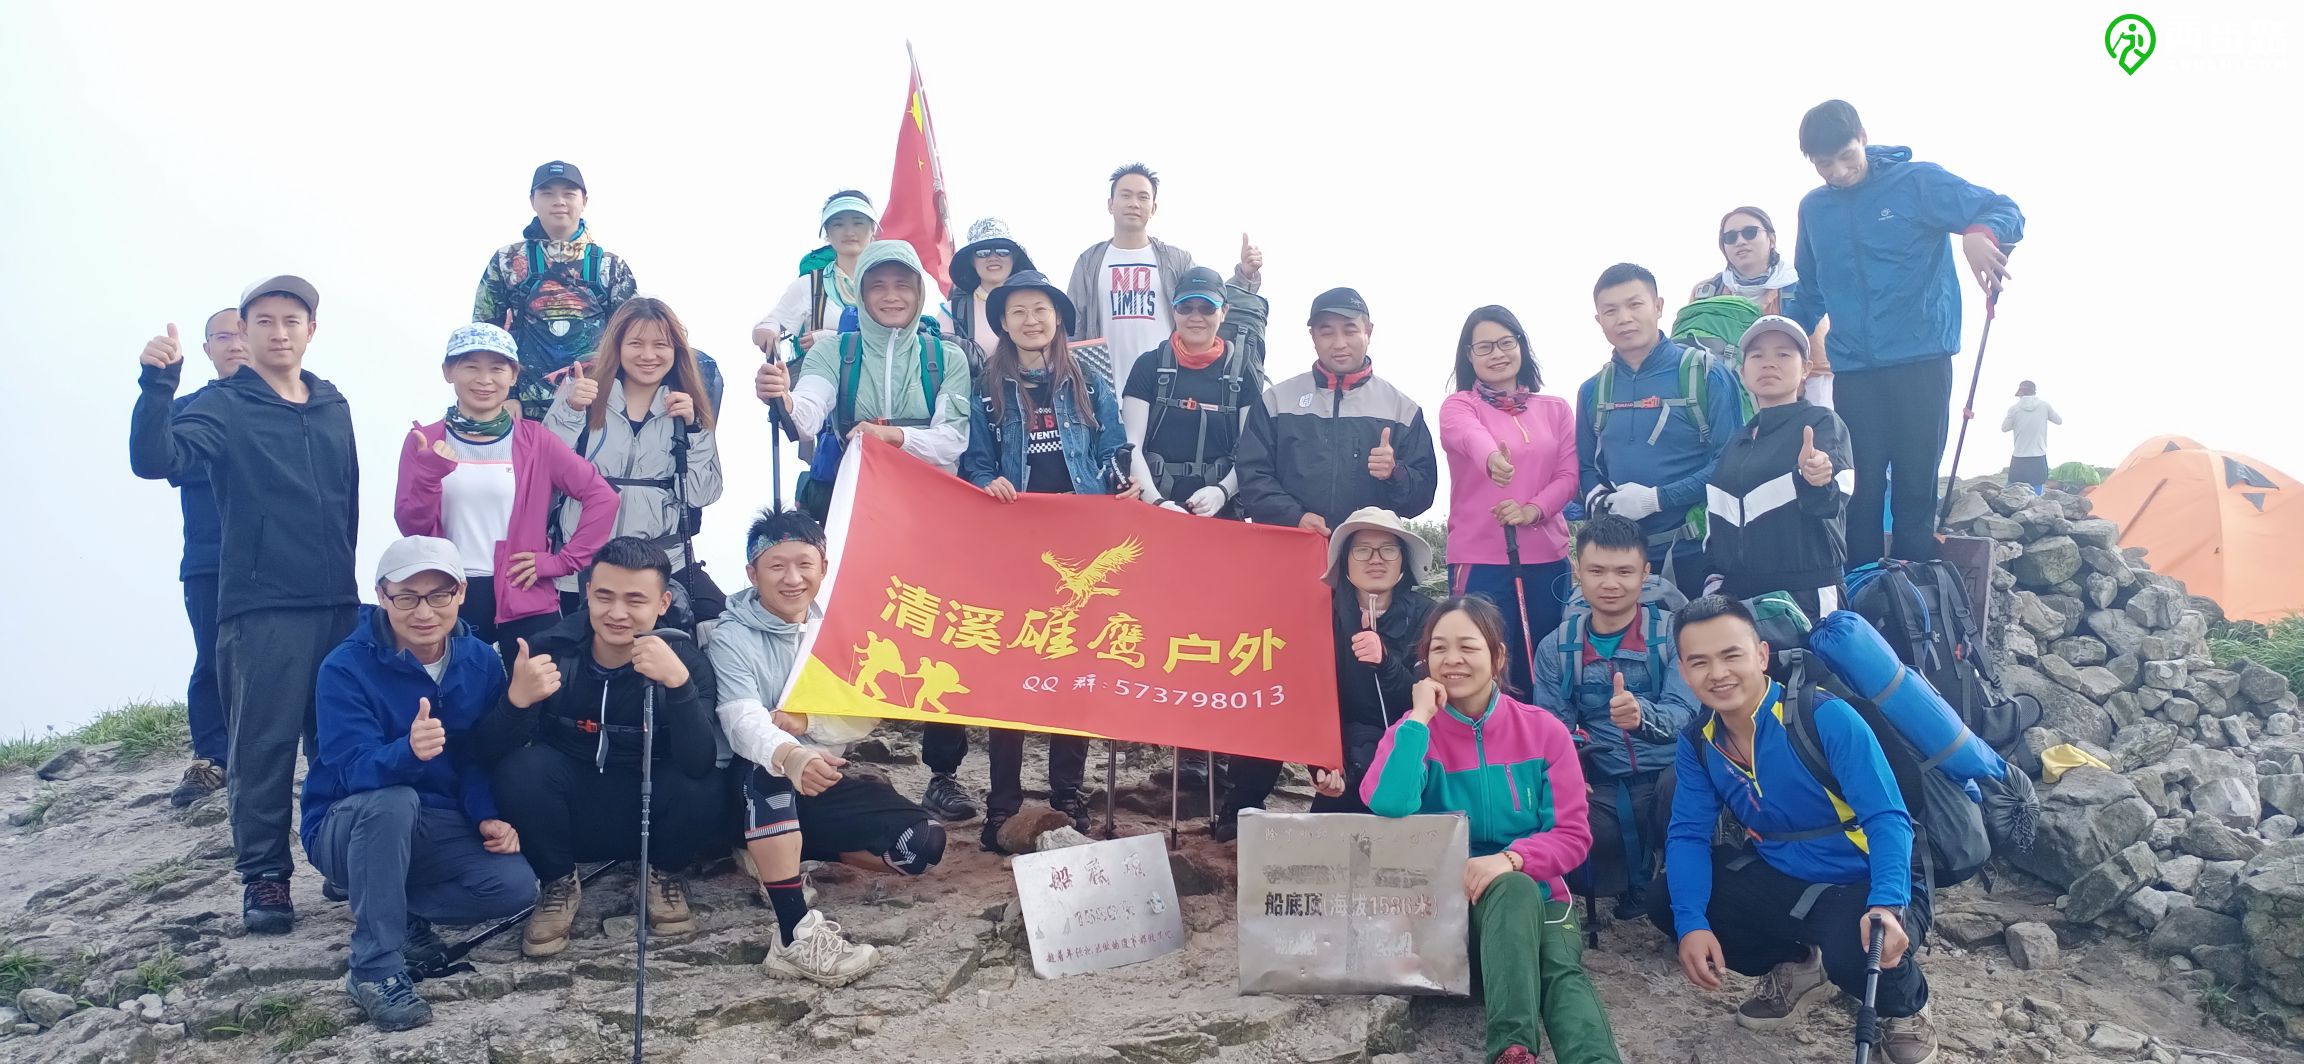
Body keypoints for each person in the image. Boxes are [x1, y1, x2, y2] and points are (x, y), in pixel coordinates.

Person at [131, 275, 359, 935]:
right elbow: (155, 459)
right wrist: (156, 387)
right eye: (264, 321)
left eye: (292, 319)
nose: (280, 331)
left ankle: (340, 855)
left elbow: (347, 498)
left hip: (336, 600)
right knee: (263, 747)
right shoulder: (222, 405)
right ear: (246, 332)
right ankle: (265, 878)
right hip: (262, 606)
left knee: (338, 742)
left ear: (310, 330)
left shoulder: (332, 403)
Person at [1655, 596, 1937, 1064]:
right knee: (1668, 899)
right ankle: (1803, 966)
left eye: (1731, 655)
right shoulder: (1699, 743)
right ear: (1684, 673)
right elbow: (1686, 835)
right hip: (1786, 876)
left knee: (1860, 945)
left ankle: (1906, 1008)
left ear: (1761, 656)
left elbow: (1887, 817)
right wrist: (1691, 923)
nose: (1717, 673)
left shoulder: (1822, 716)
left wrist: (1887, 903)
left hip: (1865, 877)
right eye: (1699, 662)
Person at [1364, 596, 1622, 1064]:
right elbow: (1387, 802)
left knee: (1558, 966)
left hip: (1537, 898)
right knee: (1521, 902)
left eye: (1468, 646)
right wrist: (1420, 718)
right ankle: (1512, 1046)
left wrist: (1510, 859)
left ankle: (1527, 1054)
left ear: (1497, 656)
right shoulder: (1413, 731)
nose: (1453, 659)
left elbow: (1573, 836)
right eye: (1439, 648)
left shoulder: (1543, 732)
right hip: (1447, 913)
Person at [302, 537, 537, 1031]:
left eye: (438, 595)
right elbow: (349, 771)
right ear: (382, 596)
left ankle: (388, 902)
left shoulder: (478, 660)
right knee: (391, 801)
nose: (423, 611)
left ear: (461, 594)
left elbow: (474, 758)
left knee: (515, 886)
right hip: (345, 826)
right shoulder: (344, 667)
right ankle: (374, 969)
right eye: (406, 597)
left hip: (434, 822)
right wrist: (406, 751)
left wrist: (486, 816)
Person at [711, 508, 949, 986]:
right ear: (752, 573)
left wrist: (810, 723)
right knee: (769, 773)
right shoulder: (729, 636)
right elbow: (740, 719)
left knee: (921, 846)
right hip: (744, 785)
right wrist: (791, 752)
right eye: (776, 566)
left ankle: (785, 855)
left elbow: (868, 704)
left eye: (805, 563)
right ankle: (794, 933)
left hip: (818, 774)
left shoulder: (841, 627)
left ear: (823, 565)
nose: (793, 578)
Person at [1793, 99, 2025, 563]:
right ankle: (1860, 593)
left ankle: (1915, 597)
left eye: (1846, 157)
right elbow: (1810, 289)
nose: (1838, 171)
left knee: (1916, 487)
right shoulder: (1813, 209)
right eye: (1824, 165)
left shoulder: (1917, 182)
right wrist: (1782, 339)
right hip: (1854, 368)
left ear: (1863, 137)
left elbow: (2005, 209)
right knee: (1858, 486)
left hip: (1922, 359)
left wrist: (1980, 232)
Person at [472, 537, 724, 958]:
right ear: (586, 592)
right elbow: (490, 754)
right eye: (604, 595)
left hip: (650, 819)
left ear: (662, 603)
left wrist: (678, 687)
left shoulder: (686, 661)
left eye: (635, 599)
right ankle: (557, 883)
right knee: (523, 769)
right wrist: (516, 702)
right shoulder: (549, 651)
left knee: (705, 784)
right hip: (571, 818)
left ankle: (664, 875)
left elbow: (698, 763)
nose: (618, 613)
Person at [961, 270, 1141, 851]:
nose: (1030, 320)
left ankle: (1068, 794)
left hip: (1080, 541)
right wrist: (989, 483)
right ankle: (1003, 805)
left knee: (1074, 668)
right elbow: (976, 460)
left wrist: (1120, 483)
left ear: (1057, 316)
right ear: (1004, 323)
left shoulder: (1089, 377)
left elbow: (1112, 447)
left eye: (1040, 309)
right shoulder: (986, 383)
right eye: (1018, 312)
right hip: (1011, 546)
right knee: (1009, 671)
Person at [396, 323, 620, 664]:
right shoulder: (425, 440)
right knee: (458, 705)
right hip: (449, 596)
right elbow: (411, 526)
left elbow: (603, 498)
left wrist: (560, 562)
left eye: (497, 368)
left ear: (513, 376)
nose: (484, 380)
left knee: (537, 703)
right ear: (448, 372)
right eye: (470, 366)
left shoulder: (536, 441)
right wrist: (430, 474)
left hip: (525, 596)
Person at [1218, 508, 1436, 840]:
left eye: (1388, 549)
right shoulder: (1319, 611)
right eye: (1362, 549)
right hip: (1341, 744)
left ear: (1403, 561)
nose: (1375, 559)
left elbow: (1423, 700)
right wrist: (1322, 763)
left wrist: (1386, 661)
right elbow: (1303, 694)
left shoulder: (1427, 616)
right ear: (1344, 563)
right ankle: (1240, 804)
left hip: (1405, 744)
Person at [1531, 515, 1698, 921]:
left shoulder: (1675, 634)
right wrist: (1572, 775)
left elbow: (1687, 711)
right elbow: (1554, 732)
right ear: (1578, 572)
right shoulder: (1556, 649)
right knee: (1560, 817)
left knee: (1682, 793)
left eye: (1624, 571)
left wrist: (1643, 717)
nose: (1610, 583)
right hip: (1603, 782)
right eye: (1597, 571)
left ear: (1645, 573)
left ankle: (1681, 886)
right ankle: (1628, 881)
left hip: (1671, 772)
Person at [755, 239, 975, 524]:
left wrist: (890, 437)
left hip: (933, 514)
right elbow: (807, 415)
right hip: (859, 515)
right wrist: (784, 398)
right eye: (877, 286)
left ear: (919, 293)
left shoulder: (948, 357)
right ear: (861, 294)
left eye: (903, 285)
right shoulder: (832, 351)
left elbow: (952, 440)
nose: (891, 296)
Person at [544, 298, 725, 623]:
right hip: (583, 563)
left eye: (660, 345)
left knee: (718, 625)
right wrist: (569, 411)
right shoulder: (582, 391)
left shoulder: (687, 405)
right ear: (618, 345)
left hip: (661, 562)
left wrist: (696, 429)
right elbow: (544, 469)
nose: (648, 355)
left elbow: (702, 494)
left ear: (676, 350)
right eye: (636, 344)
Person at [1575, 263, 1746, 602]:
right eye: (1611, 310)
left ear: (1659, 306)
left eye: (1635, 304)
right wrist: (1599, 498)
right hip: (1621, 563)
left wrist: (1657, 498)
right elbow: (1584, 466)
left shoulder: (1706, 374)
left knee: (1696, 653)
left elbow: (1730, 463)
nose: (1624, 318)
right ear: (1599, 320)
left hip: (1697, 552)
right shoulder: (1594, 390)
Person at [1439, 305, 1578, 696]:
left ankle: (1549, 745)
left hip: (1548, 559)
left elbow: (1568, 477)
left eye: (1506, 343)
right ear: (1468, 355)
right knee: (1483, 663)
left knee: (1547, 663)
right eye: (1484, 347)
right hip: (1480, 560)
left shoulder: (1556, 409)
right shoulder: (1459, 405)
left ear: (1521, 346)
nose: (1497, 354)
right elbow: (1467, 435)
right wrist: (1492, 459)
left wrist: (1533, 510)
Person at [1235, 288, 1438, 535]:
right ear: (1313, 336)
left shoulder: (1402, 410)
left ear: (1368, 331)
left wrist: (1395, 473)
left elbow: (1423, 496)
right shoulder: (1276, 402)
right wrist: (1295, 517)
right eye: (1326, 332)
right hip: (1289, 546)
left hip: (1367, 555)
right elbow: (1252, 477)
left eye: (1350, 330)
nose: (1339, 343)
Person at [1704, 316, 1853, 619]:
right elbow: (1717, 523)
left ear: (1806, 370)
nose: (1769, 363)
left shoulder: (1821, 423)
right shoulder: (1737, 441)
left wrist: (1817, 477)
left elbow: (1831, 500)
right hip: (1741, 599)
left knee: (1810, 668)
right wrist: (1714, 582)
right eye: (1757, 356)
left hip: (1808, 596)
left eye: (1784, 354)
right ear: (1743, 373)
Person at [1063, 163, 1262, 389]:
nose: (1134, 204)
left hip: (1166, 389)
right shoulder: (1089, 262)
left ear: (1153, 207)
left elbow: (1210, 300)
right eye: (1125, 195)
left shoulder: (1176, 260)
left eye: (1143, 197)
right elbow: (1072, 329)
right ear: (1110, 204)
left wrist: (1245, 275)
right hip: (1105, 394)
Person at [161, 307, 248, 808]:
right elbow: (168, 461)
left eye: (242, 332)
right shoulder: (189, 408)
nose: (234, 343)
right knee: (212, 656)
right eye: (221, 336)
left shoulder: (299, 402)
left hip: (285, 559)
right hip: (210, 559)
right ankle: (213, 758)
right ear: (207, 350)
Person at [473, 161, 640, 420]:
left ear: (584, 200)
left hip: (596, 406)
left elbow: (634, 339)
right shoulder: (507, 260)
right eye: (547, 193)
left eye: (569, 194)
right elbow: (485, 335)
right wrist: (506, 396)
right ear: (532, 200)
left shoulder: (610, 266)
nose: (559, 201)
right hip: (524, 410)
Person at [1120, 266, 1258, 517]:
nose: (1196, 316)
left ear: (1224, 312)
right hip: (1154, 511)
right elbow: (1131, 444)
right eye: (1185, 307)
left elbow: (1254, 450)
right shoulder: (1149, 365)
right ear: (1174, 311)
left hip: (1221, 513)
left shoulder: (1242, 372)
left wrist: (1222, 491)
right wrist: (1157, 502)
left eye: (1207, 308)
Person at [1690, 206, 1831, 408]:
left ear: (1771, 239)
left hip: (1786, 414)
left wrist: (1818, 424)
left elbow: (1819, 369)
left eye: (1750, 232)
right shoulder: (1705, 294)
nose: (1740, 241)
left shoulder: (1802, 290)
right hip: (1722, 412)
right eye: (1730, 237)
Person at [946, 217, 1035, 356]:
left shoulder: (1036, 305)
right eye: (982, 252)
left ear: (1014, 257)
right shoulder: (952, 312)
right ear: (971, 260)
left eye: (1003, 251)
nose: (993, 257)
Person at [2002, 380, 2062, 492]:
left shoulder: (2014, 409)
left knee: (2011, 492)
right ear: (2034, 392)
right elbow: (2059, 421)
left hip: (2019, 456)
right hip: (2038, 455)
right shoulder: (2045, 406)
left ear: (2020, 393)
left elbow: (2004, 428)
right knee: (2037, 490)